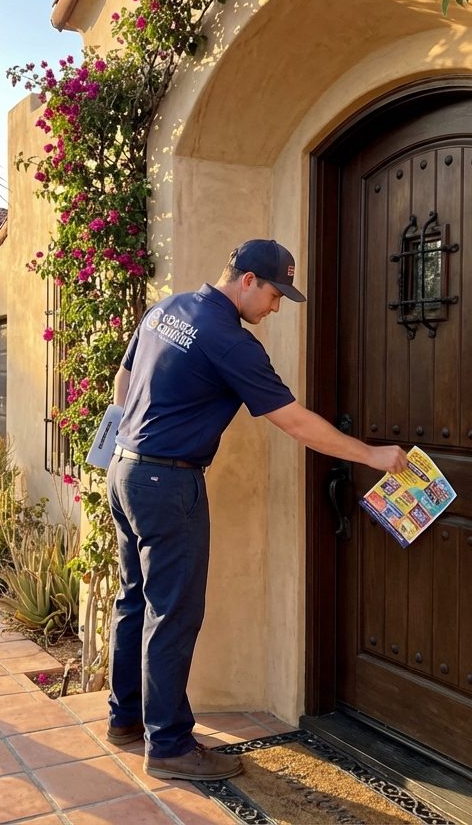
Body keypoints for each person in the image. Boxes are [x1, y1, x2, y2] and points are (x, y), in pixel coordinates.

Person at [105, 238, 409, 781]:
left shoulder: (166, 308)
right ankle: (169, 745)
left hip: (124, 470)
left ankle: (125, 720)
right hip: (168, 485)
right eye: (274, 295)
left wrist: (136, 431)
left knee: (135, 601)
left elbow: (123, 380)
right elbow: (293, 421)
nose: (275, 308)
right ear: (247, 280)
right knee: (172, 614)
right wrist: (371, 455)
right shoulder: (230, 341)